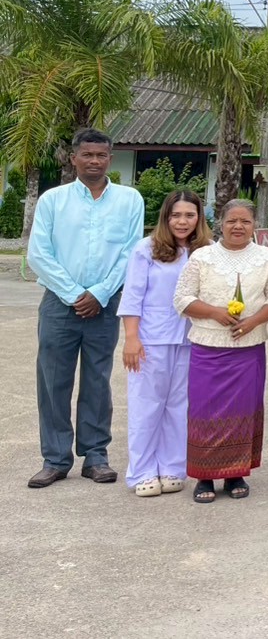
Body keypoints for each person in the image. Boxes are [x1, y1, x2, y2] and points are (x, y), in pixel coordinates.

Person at [28, 129, 145, 488]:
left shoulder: (129, 200)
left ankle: (96, 457)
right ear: (73, 158)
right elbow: (38, 254)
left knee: (97, 380)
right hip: (59, 305)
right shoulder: (53, 200)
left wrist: (100, 293)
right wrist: (75, 294)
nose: (94, 161)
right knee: (53, 382)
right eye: (87, 154)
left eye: (101, 155)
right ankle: (55, 459)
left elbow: (131, 253)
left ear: (110, 158)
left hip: (105, 306)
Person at [173, 199, 268, 502]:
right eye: (232, 220)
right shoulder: (202, 256)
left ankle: (236, 473)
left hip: (248, 350)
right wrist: (215, 313)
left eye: (245, 221)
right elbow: (182, 299)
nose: (238, 226)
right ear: (220, 223)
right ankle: (204, 477)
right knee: (205, 411)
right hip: (208, 349)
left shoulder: (267, 257)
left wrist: (253, 322)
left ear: (254, 225)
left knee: (243, 411)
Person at [119, 189, 210, 497]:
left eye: (189, 215)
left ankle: (173, 467)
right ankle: (142, 471)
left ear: (199, 217)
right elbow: (133, 296)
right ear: (165, 217)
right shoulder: (147, 249)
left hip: (191, 339)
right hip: (151, 340)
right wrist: (131, 338)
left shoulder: (207, 251)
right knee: (146, 406)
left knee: (179, 407)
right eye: (176, 215)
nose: (182, 222)